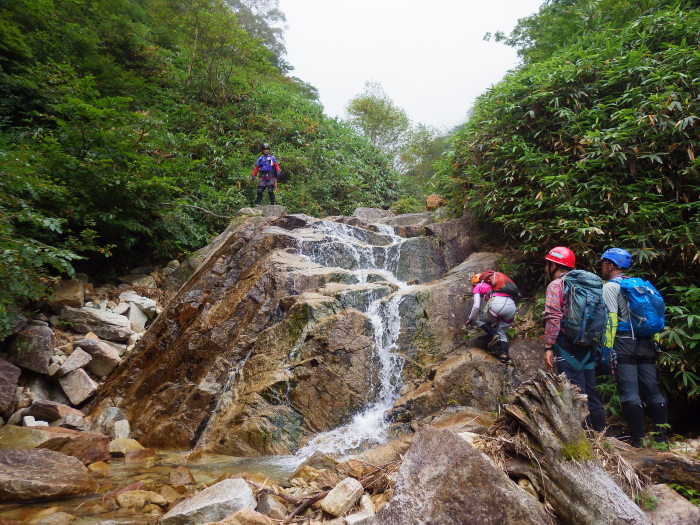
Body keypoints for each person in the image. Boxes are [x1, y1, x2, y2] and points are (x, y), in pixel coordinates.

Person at [599, 248, 668, 447]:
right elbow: (654, 316)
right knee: (653, 390)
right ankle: (661, 439)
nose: (602, 267)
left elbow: (611, 319)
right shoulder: (641, 285)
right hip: (647, 342)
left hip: (623, 342)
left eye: (603, 264)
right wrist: (653, 341)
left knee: (630, 392)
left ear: (611, 265)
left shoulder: (610, 287)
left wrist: (607, 348)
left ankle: (637, 441)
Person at [543, 246, 606, 432]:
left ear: (553, 265)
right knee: (590, 390)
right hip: (588, 344)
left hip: (566, 344)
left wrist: (548, 346)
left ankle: (583, 438)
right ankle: (601, 435)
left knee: (573, 391)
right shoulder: (586, 285)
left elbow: (553, 317)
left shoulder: (556, 285)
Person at [466, 272, 517, 363]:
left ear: (475, 283)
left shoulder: (479, 286)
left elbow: (477, 306)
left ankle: (494, 335)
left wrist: (470, 319)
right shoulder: (496, 287)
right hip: (511, 306)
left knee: (480, 321)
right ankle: (503, 355)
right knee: (502, 332)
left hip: (496, 304)